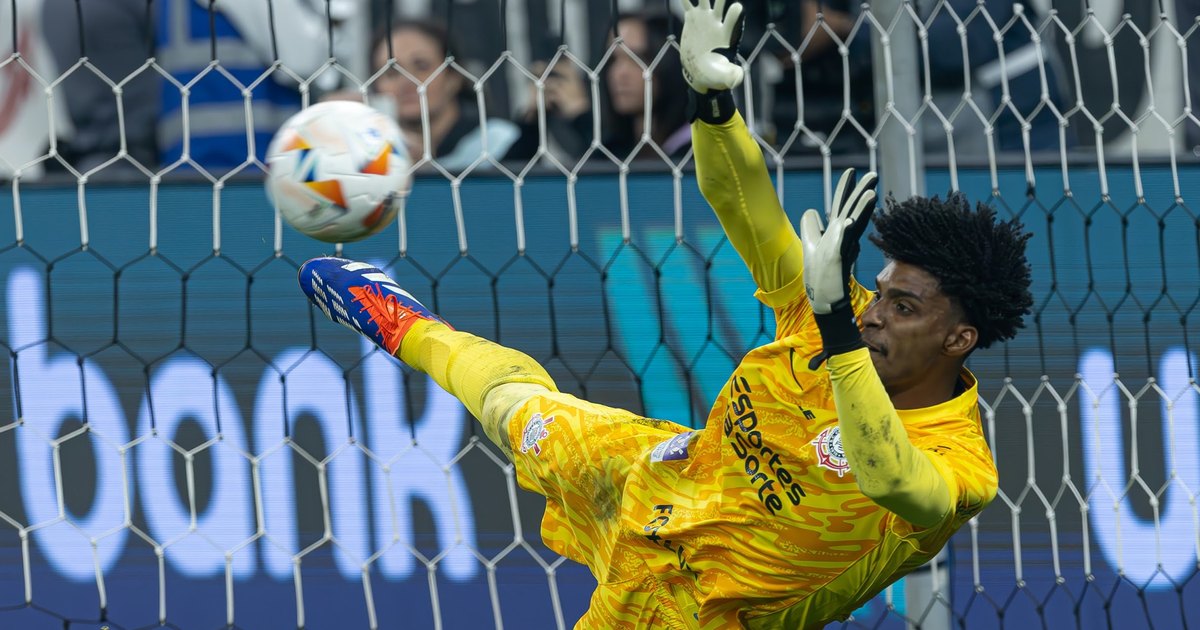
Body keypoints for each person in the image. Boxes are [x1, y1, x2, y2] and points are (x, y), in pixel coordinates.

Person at [297, 0, 1033, 626]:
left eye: (901, 308)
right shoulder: (830, 314)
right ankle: (400, 321)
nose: (874, 315)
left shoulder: (959, 467)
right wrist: (712, 105)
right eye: (878, 295)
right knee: (513, 405)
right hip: (657, 474)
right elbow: (743, 205)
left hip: (697, 606)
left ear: (958, 337)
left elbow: (889, 477)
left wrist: (837, 325)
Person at [367, 18, 520, 172]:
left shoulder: (502, 145)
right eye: (392, 72)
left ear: (453, 77)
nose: (406, 82)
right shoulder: (367, 154)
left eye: (421, 66)